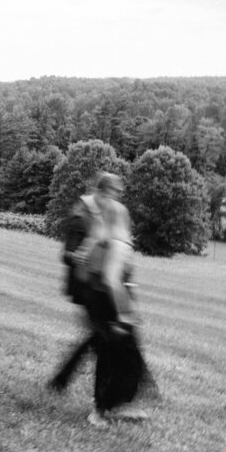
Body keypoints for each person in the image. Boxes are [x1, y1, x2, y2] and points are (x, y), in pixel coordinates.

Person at [81, 175, 151, 426]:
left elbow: (86, 256)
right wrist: (125, 314)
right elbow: (112, 279)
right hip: (108, 300)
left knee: (125, 356)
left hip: (100, 297)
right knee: (114, 355)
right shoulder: (119, 243)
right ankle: (101, 411)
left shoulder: (103, 233)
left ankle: (116, 405)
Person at [48, 172, 113, 392]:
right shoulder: (81, 217)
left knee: (97, 338)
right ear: (101, 192)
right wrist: (79, 257)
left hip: (96, 287)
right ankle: (63, 381)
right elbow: (66, 254)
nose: (114, 200)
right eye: (112, 194)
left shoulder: (101, 216)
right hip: (83, 287)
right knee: (100, 337)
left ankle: (60, 381)